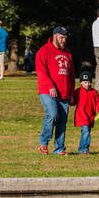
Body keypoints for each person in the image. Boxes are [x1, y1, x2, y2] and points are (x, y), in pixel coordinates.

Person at [35, 25, 73, 154]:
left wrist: (71, 92)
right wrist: (51, 85)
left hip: (64, 91)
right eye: (61, 38)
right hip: (47, 90)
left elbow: (71, 74)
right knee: (52, 114)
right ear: (55, 37)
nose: (64, 40)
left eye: (65, 38)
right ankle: (43, 143)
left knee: (62, 120)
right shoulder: (44, 51)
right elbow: (41, 71)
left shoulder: (67, 52)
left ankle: (59, 148)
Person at [71, 70, 99, 154]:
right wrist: (70, 101)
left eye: (89, 82)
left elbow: (98, 103)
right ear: (81, 83)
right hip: (81, 115)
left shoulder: (94, 92)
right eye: (85, 82)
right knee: (86, 131)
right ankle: (83, 149)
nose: (87, 84)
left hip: (90, 115)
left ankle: (83, 148)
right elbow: (73, 102)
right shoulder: (77, 91)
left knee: (86, 132)